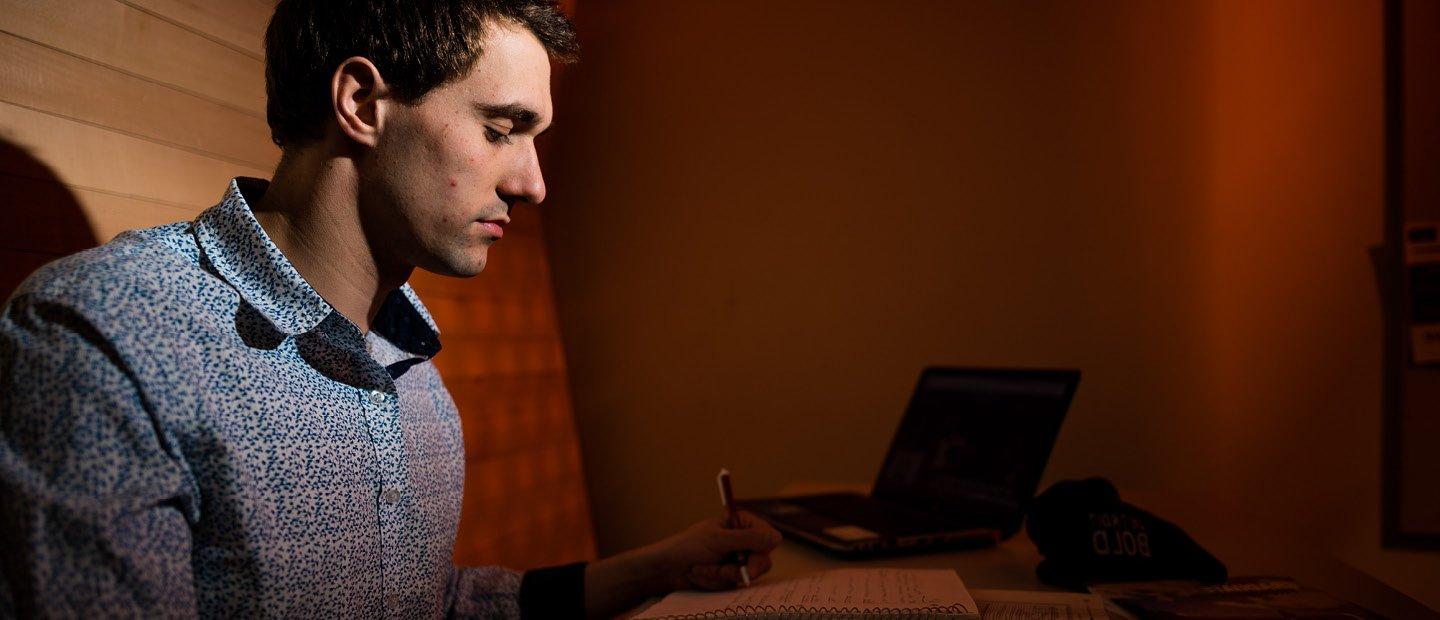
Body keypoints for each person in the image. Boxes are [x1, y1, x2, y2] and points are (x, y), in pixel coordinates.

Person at [0, 0, 780, 617]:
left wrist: (653, 569)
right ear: (363, 102)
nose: (533, 183)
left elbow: (423, 605)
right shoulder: (107, 335)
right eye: (502, 129)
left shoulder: (417, 383)